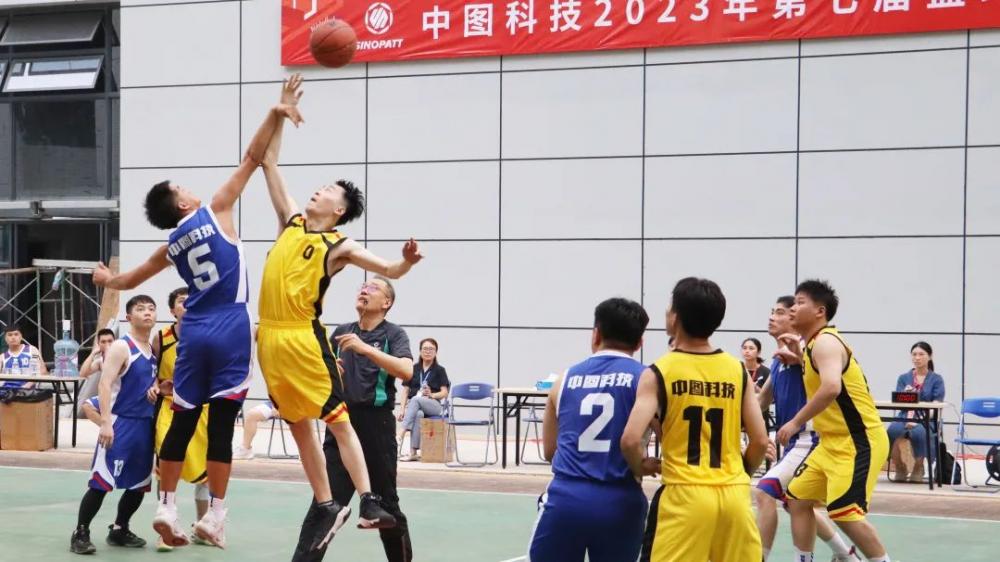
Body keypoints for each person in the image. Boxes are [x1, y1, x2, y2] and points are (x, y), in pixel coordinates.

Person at [92, 93, 301, 548]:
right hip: (230, 326)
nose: (190, 189)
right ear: (184, 205)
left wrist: (107, 279)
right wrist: (274, 112)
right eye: (183, 189)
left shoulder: (170, 246)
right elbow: (253, 156)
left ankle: (166, 506)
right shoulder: (216, 209)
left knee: (183, 421)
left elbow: (129, 279)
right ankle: (215, 516)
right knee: (222, 426)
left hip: (194, 330)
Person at [255, 74, 421, 560]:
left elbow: (389, 269)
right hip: (268, 338)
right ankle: (328, 504)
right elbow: (267, 161)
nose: (318, 191)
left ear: (341, 210)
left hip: (302, 337)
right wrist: (279, 111)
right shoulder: (291, 222)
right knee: (297, 424)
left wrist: (406, 262)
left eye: (328, 190)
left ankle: (367, 499)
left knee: (336, 419)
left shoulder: (338, 244)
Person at [623, 277, 768, 562]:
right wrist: (740, 474)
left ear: (675, 317)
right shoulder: (737, 370)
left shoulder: (659, 371)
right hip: (734, 497)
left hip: (685, 496)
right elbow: (761, 441)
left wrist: (640, 464)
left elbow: (629, 440)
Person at [528, 298, 651, 562]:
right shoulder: (647, 380)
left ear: (595, 335)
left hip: (566, 499)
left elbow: (550, 451)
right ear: (639, 342)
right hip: (622, 500)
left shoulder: (564, 379)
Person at [777, 280, 892, 562]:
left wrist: (795, 422)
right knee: (797, 500)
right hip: (830, 443)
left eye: (800, 302)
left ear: (820, 311)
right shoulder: (811, 346)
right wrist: (798, 357)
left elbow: (831, 388)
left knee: (844, 512)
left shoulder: (826, 342)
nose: (793, 308)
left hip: (858, 440)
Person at [755, 296, 858, 562]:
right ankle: (846, 554)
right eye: (772, 311)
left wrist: (801, 360)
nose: (772, 317)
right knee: (797, 503)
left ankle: (759, 557)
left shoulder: (808, 353)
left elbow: (829, 384)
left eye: (780, 312)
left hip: (809, 440)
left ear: (794, 318)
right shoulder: (777, 361)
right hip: (793, 444)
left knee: (764, 491)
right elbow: (762, 401)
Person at [70, 295, 159, 555]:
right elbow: (104, 383)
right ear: (129, 317)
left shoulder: (152, 349)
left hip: (145, 425)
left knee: (139, 484)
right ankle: (80, 532)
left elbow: (151, 380)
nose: (147, 313)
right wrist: (106, 422)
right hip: (121, 422)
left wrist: (156, 388)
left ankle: (120, 529)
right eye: (140, 309)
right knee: (102, 481)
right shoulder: (122, 346)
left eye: (151, 309)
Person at [150, 286, 213, 551]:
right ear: (172, 310)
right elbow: (150, 371)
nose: (187, 305)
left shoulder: (210, 334)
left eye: (192, 301)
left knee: (205, 472)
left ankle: (203, 526)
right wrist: (154, 385)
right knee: (166, 467)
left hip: (203, 408)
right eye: (181, 301)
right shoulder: (161, 338)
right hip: (170, 407)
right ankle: (166, 529)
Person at [886, 341, 945, 483]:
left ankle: (918, 467)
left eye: (921, 354)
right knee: (890, 432)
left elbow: (936, 405)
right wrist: (905, 396)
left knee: (920, 432)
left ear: (929, 356)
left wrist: (921, 420)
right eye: (914, 354)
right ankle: (900, 466)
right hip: (904, 416)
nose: (917, 358)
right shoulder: (903, 378)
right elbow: (897, 402)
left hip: (925, 418)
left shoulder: (936, 379)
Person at [398, 338, 450, 462]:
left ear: (436, 352)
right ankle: (413, 452)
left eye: (431, 349)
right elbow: (405, 391)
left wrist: (432, 395)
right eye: (425, 349)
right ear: (420, 351)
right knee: (418, 414)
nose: (428, 351)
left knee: (415, 399)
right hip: (415, 406)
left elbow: (445, 392)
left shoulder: (440, 370)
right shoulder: (413, 368)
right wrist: (402, 409)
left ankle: (400, 433)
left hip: (434, 405)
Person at [78, 328, 117, 422]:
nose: (107, 344)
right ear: (98, 344)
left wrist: (109, 352)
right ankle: (107, 427)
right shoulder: (100, 361)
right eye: (103, 342)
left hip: (121, 395)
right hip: (108, 395)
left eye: (110, 341)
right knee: (87, 406)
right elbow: (83, 373)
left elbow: (110, 366)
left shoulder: (121, 356)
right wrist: (93, 353)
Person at [1, 323, 47, 387]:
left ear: (21, 336)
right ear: (5, 338)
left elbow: (43, 371)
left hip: (27, 389)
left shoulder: (31, 350)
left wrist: (28, 385)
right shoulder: (2, 357)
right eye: (10, 335)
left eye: (16, 334)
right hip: (6, 390)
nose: (13, 337)